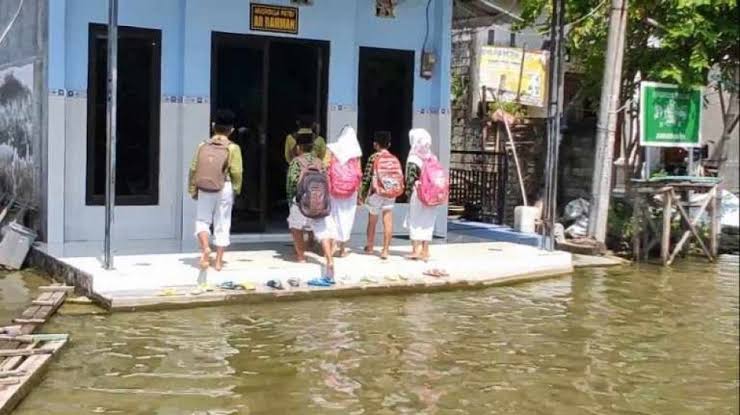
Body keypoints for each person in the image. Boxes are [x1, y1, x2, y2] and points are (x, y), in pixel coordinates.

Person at [189, 109, 243, 271]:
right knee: (222, 223)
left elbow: (193, 168)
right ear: (231, 130)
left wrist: (192, 188)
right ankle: (218, 262)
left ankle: (205, 248)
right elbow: (237, 172)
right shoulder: (233, 148)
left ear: (213, 126)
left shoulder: (202, 145)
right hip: (224, 187)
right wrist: (236, 189)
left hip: (205, 187)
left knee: (202, 220)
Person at [286, 131, 336, 278]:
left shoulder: (296, 162)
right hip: (319, 202)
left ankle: (301, 257)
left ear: (298, 147)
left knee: (296, 227)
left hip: (301, 201)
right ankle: (329, 259)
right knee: (323, 231)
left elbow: (291, 184)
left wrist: (292, 201)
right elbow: (326, 182)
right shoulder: (319, 162)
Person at [360, 131, 404, 259]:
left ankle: (370, 246)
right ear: (389, 144)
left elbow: (367, 178)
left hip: (377, 192)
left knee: (372, 220)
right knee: (388, 220)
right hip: (391, 192)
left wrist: (362, 195)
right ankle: (385, 250)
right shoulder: (394, 158)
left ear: (375, 144)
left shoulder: (374, 158)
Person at [326, 126, 363, 257]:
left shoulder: (332, 148)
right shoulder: (356, 151)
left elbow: (326, 167)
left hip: (334, 189)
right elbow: (359, 174)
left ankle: (331, 246)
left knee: (333, 216)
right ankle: (342, 249)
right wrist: (360, 194)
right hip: (351, 191)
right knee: (347, 217)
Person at [405, 128, 439, 261]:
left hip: (418, 194)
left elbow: (410, 180)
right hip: (432, 195)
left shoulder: (413, 158)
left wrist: (408, 194)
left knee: (415, 220)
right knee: (427, 221)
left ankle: (415, 250)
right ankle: (426, 250)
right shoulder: (432, 157)